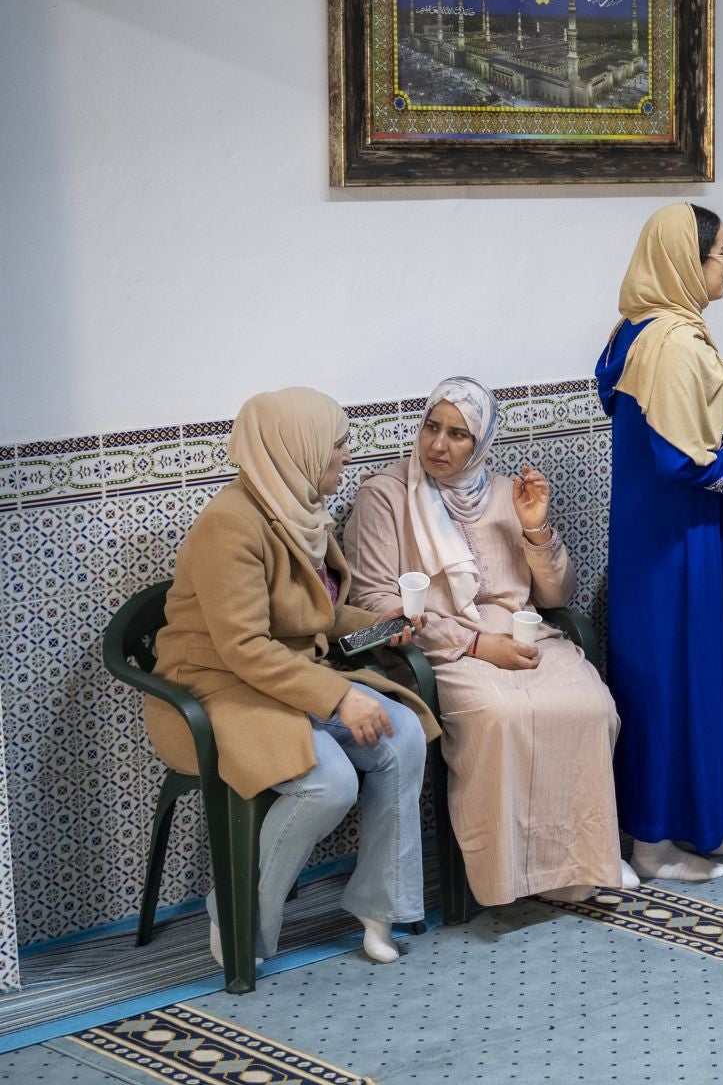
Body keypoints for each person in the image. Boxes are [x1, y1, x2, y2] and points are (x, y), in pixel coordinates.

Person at [146, 388, 437, 966]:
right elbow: (245, 648)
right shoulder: (230, 526)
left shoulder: (298, 511)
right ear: (298, 451)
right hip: (214, 690)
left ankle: (378, 910)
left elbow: (316, 618)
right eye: (338, 445)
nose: (347, 456)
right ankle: (237, 911)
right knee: (328, 779)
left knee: (400, 736)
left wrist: (381, 626)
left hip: (285, 681)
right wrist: (339, 696)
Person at [343, 377, 629, 907]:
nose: (437, 445)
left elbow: (555, 594)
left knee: (591, 706)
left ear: (482, 444)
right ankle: (510, 875)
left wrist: (536, 530)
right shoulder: (384, 495)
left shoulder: (504, 493)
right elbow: (372, 603)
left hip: (518, 633)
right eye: (431, 427)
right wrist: (474, 646)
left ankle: (579, 863)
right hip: (436, 647)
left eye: (457, 435)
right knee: (499, 716)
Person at [595, 203, 723, 882]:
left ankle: (695, 825)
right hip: (674, 541)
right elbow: (682, 462)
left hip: (671, 533)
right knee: (670, 682)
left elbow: (679, 435)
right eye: (722, 252)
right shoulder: (672, 343)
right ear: (686, 260)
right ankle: (653, 841)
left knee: (692, 675)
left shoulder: (642, 327)